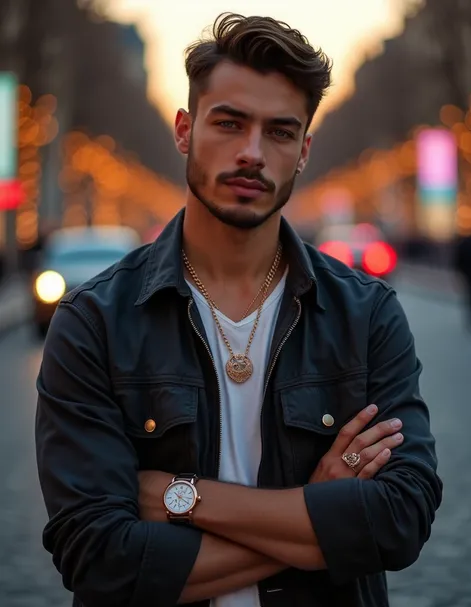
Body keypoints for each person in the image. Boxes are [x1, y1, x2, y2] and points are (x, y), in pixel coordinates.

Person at [35, 12, 442, 607]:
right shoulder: (93, 322)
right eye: (229, 123)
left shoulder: (367, 313)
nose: (252, 153)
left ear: (304, 150)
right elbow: (95, 555)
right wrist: (322, 516)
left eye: (279, 132)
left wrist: (183, 495)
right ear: (184, 129)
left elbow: (401, 519)